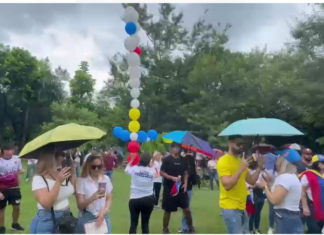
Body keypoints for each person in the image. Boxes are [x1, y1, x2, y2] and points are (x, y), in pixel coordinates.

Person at [216, 135, 265, 234]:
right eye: (239, 144)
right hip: (230, 207)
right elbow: (227, 185)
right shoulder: (223, 161)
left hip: (242, 205)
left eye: (243, 144)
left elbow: (251, 181)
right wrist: (241, 169)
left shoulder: (240, 161)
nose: (241, 147)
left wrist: (259, 167)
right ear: (230, 143)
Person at [30, 151, 76, 234]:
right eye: (60, 155)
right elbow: (47, 204)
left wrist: (73, 174)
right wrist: (58, 181)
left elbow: (72, 191)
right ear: (50, 159)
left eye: (64, 155)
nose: (63, 158)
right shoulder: (39, 179)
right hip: (48, 219)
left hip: (66, 216)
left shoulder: (61, 173)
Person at [259, 149, 303, 234]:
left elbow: (274, 200)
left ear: (283, 161)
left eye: (279, 157)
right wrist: (263, 169)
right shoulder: (293, 176)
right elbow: (274, 182)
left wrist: (264, 187)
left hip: (285, 216)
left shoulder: (284, 178)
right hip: (293, 215)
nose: (277, 160)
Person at [160, 143, 193, 234]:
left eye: (178, 147)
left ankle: (190, 228)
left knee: (186, 209)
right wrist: (171, 177)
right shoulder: (166, 160)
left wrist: (185, 183)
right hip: (169, 188)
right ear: (171, 148)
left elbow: (186, 172)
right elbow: (162, 172)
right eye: (174, 147)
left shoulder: (183, 160)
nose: (176, 149)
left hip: (181, 188)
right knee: (168, 210)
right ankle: (165, 228)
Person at [76, 155, 113, 234]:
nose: (96, 169)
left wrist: (103, 212)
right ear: (88, 166)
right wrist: (92, 198)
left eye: (99, 166)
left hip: (103, 215)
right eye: (93, 167)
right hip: (88, 216)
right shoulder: (82, 181)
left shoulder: (105, 179)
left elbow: (109, 198)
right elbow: (80, 205)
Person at [125, 152, 155, 234]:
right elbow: (157, 174)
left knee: (133, 223)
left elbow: (126, 170)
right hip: (148, 199)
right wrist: (152, 165)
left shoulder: (134, 169)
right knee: (145, 224)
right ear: (149, 161)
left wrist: (131, 160)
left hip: (135, 199)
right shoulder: (152, 171)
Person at [0, 143, 25, 233]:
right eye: (9, 150)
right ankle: (1, 227)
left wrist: (21, 171)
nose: (12, 152)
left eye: (12, 150)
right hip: (2, 188)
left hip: (14, 187)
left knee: (17, 206)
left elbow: (19, 169)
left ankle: (15, 224)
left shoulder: (17, 159)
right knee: (1, 209)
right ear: (4, 151)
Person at [299, 154, 324, 234]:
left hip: (323, 206)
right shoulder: (308, 175)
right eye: (322, 162)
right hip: (313, 206)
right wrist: (305, 207)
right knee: (315, 230)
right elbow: (302, 192)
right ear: (317, 164)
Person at [179, 149, 197, 234]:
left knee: (186, 209)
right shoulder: (192, 167)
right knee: (186, 208)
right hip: (188, 188)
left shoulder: (188, 168)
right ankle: (186, 226)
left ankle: (187, 227)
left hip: (186, 188)